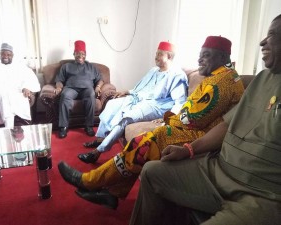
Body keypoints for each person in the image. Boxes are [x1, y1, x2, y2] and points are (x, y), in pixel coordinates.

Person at [57, 35, 245, 210]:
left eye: (206, 56)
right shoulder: (223, 76)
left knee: (141, 144)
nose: (199, 60)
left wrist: (169, 121)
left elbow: (193, 117)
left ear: (221, 56)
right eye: (200, 55)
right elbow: (192, 111)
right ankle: (111, 191)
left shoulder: (220, 81)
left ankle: (89, 181)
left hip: (200, 136)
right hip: (195, 128)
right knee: (128, 125)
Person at [127, 15, 281, 225]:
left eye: (271, 34)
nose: (263, 42)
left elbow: (195, 117)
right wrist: (188, 150)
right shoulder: (262, 79)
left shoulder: (226, 80)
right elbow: (227, 125)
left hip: (260, 196)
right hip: (217, 171)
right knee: (152, 171)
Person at [78, 41, 188, 164]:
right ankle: (101, 138)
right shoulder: (154, 70)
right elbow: (142, 87)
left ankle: (98, 151)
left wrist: (167, 118)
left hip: (156, 105)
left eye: (159, 54)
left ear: (169, 57)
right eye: (156, 53)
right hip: (139, 98)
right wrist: (128, 91)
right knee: (112, 104)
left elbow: (180, 102)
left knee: (126, 117)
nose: (155, 57)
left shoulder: (177, 75)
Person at [0, 43, 40, 129]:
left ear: (12, 55)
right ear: (0, 54)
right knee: (4, 97)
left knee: (7, 97)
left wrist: (26, 87)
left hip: (16, 92)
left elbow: (30, 78)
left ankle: (8, 127)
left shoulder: (19, 66)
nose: (5, 56)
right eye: (3, 54)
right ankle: (9, 127)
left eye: (8, 54)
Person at [54, 40, 104, 138]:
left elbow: (100, 80)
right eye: (78, 54)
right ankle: (63, 126)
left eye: (83, 54)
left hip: (87, 89)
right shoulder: (66, 66)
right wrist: (58, 88)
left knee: (91, 94)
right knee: (64, 95)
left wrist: (98, 87)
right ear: (74, 54)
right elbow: (59, 80)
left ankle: (88, 126)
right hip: (71, 88)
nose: (80, 56)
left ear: (85, 55)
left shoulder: (91, 67)